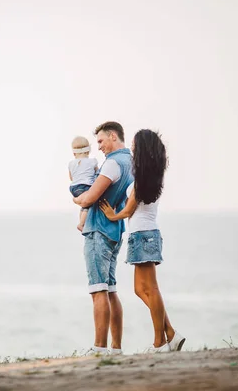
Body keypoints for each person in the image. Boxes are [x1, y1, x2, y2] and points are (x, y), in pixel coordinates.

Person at [99, 129, 185, 352]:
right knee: (142, 289)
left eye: (136, 146)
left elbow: (128, 210)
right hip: (146, 235)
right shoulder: (151, 175)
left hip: (142, 235)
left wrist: (112, 215)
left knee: (150, 289)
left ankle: (160, 341)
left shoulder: (143, 180)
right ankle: (170, 333)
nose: (133, 148)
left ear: (143, 149)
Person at [73, 121, 134, 355]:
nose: (98, 147)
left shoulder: (112, 163)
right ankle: (115, 348)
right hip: (115, 229)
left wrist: (77, 200)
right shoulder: (130, 162)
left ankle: (99, 348)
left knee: (98, 289)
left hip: (99, 230)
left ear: (112, 136)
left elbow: (89, 197)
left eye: (100, 141)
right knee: (110, 289)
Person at [68, 136, 98, 232]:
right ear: (88, 151)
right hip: (85, 186)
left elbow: (71, 177)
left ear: (73, 153)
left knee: (83, 206)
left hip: (73, 187)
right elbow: (98, 175)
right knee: (88, 205)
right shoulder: (92, 161)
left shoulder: (71, 163)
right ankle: (81, 224)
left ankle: (81, 222)